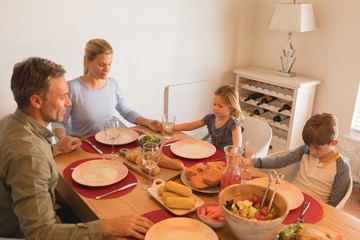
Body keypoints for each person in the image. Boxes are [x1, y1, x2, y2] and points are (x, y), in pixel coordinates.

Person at [0, 57, 153, 239]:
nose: (69, 102)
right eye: (62, 96)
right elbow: (40, 233)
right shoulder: (29, 155)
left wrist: (55, 149)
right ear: (36, 101)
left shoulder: (10, 123)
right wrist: (106, 227)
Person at [52, 38, 161, 139]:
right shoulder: (72, 88)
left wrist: (148, 122)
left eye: (109, 64)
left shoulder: (113, 84)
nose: (107, 69)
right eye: (101, 64)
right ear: (87, 61)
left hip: (109, 143)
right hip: (83, 147)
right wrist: (64, 140)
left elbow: (127, 112)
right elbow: (59, 122)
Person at [247, 112, 351, 207]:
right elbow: (279, 161)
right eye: (309, 146)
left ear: (333, 143)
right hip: (293, 197)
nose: (312, 152)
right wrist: (253, 162)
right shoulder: (305, 150)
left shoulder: (342, 167)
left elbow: (334, 204)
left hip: (316, 206)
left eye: (317, 148)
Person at [173, 85, 245, 150]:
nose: (215, 108)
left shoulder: (234, 125)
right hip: (211, 152)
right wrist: (172, 127)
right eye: (214, 104)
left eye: (220, 106)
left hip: (225, 157)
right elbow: (190, 126)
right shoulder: (210, 118)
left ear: (231, 108)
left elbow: (237, 146)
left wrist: (233, 153)